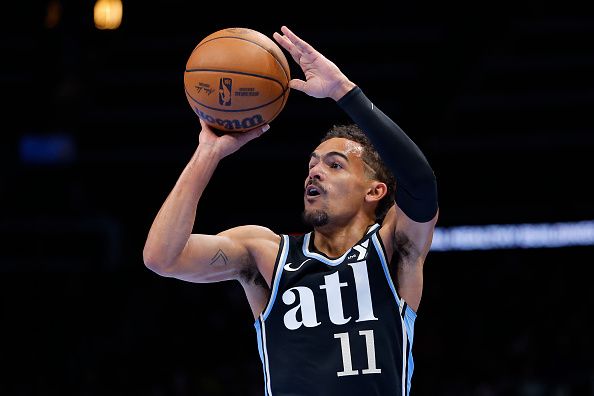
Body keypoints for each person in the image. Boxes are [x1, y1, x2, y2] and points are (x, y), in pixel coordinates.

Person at [143, 26, 438, 396]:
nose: (314, 170)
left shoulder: (395, 249)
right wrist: (208, 153)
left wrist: (343, 92)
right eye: (313, 163)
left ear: (375, 191)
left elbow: (421, 185)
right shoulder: (264, 253)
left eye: (335, 165)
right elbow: (161, 258)